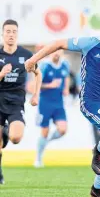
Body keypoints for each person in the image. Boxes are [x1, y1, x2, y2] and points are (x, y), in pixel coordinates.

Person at [25, 12, 100, 197]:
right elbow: (58, 43)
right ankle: (98, 149)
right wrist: (33, 59)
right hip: (90, 101)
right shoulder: (91, 43)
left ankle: (97, 189)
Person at [0, 19, 42, 184]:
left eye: (14, 32)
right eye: (8, 31)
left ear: (17, 34)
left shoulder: (26, 55)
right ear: (3, 34)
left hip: (16, 102)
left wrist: (36, 95)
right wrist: (2, 74)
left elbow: (38, 74)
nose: (11, 35)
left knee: (16, 138)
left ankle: (6, 131)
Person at [34, 50, 70, 168]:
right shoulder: (45, 65)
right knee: (44, 131)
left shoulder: (65, 64)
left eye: (59, 52)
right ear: (50, 53)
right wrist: (49, 85)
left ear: (62, 53)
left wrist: (66, 88)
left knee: (63, 129)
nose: (56, 54)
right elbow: (36, 85)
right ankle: (38, 158)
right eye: (54, 52)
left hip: (59, 104)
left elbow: (66, 76)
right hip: (45, 103)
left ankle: (46, 142)